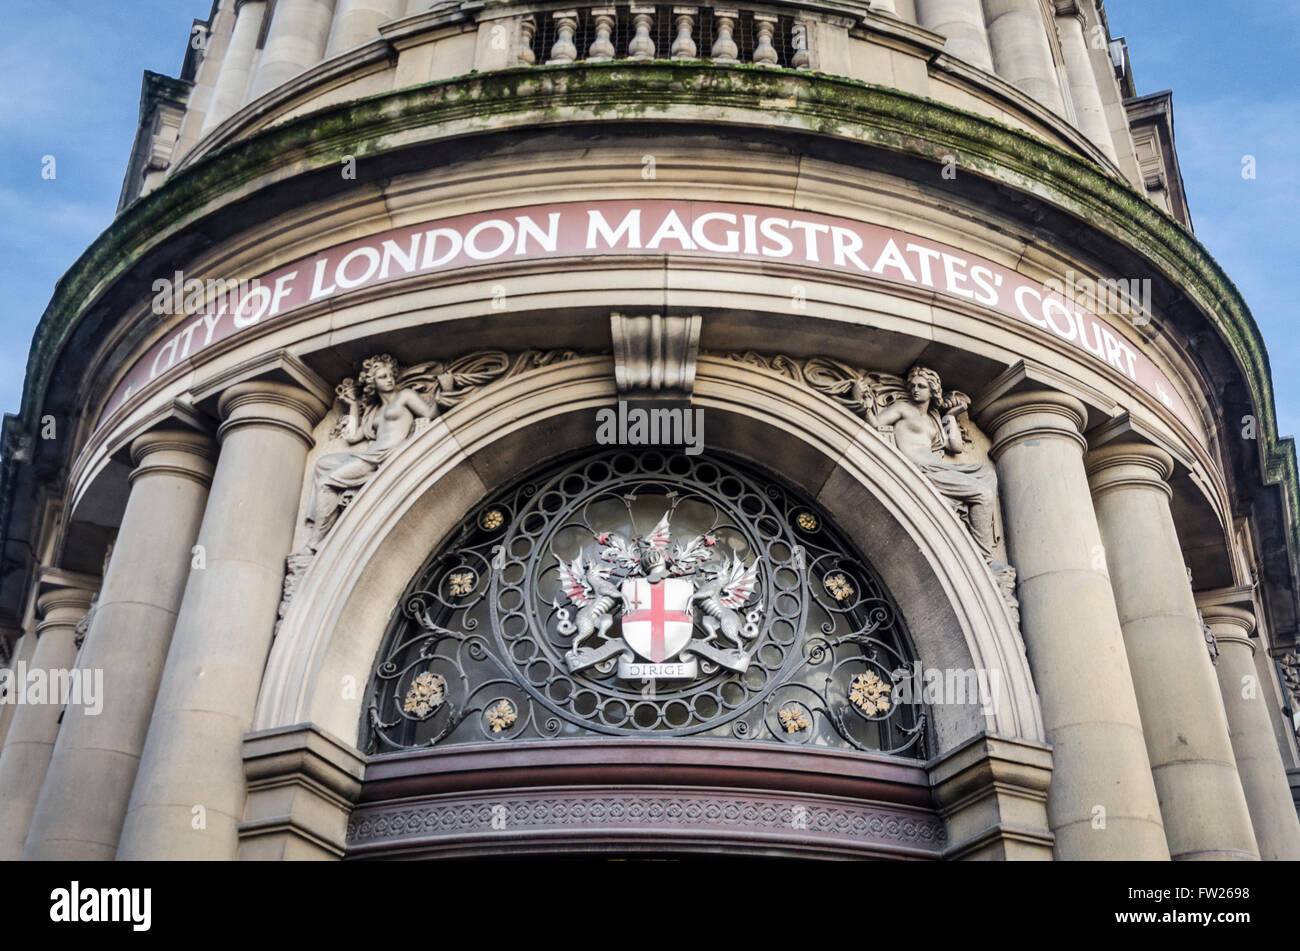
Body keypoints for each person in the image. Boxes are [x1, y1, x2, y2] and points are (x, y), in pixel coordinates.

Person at [860, 364, 1004, 561]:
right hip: (920, 469)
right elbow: (875, 424)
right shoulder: (903, 409)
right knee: (983, 493)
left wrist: (951, 416)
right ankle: (983, 556)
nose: (915, 390)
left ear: (933, 390)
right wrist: (865, 406)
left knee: (986, 473)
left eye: (921, 386)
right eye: (912, 386)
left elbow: (955, 447)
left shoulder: (932, 420)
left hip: (938, 468)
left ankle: (982, 551)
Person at [304, 354, 438, 549]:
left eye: (390, 375)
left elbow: (430, 414)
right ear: (372, 382)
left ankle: (317, 541)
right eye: (383, 377)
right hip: (370, 455)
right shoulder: (374, 411)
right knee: (322, 464)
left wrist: (447, 388)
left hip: (384, 456)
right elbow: (352, 437)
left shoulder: (405, 396)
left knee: (327, 482)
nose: (390, 379)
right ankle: (322, 522)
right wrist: (352, 405)